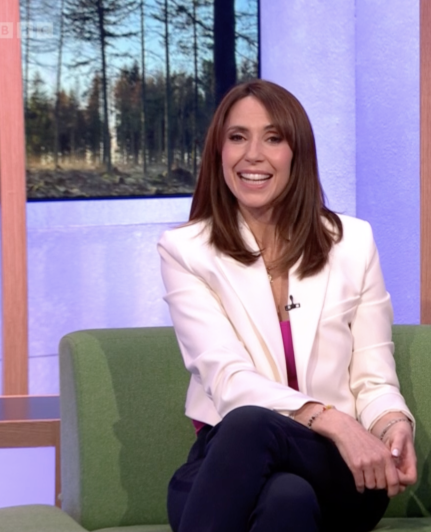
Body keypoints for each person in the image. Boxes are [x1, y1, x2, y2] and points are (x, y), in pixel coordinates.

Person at [159, 79, 416, 532]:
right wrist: (330, 418)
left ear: (297, 153)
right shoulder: (186, 251)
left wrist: (392, 423)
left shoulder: (351, 243)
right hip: (227, 465)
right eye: (237, 137)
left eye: (273, 138)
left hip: (337, 471)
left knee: (254, 430)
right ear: (219, 152)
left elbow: (374, 378)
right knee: (284, 495)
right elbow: (227, 378)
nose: (252, 154)